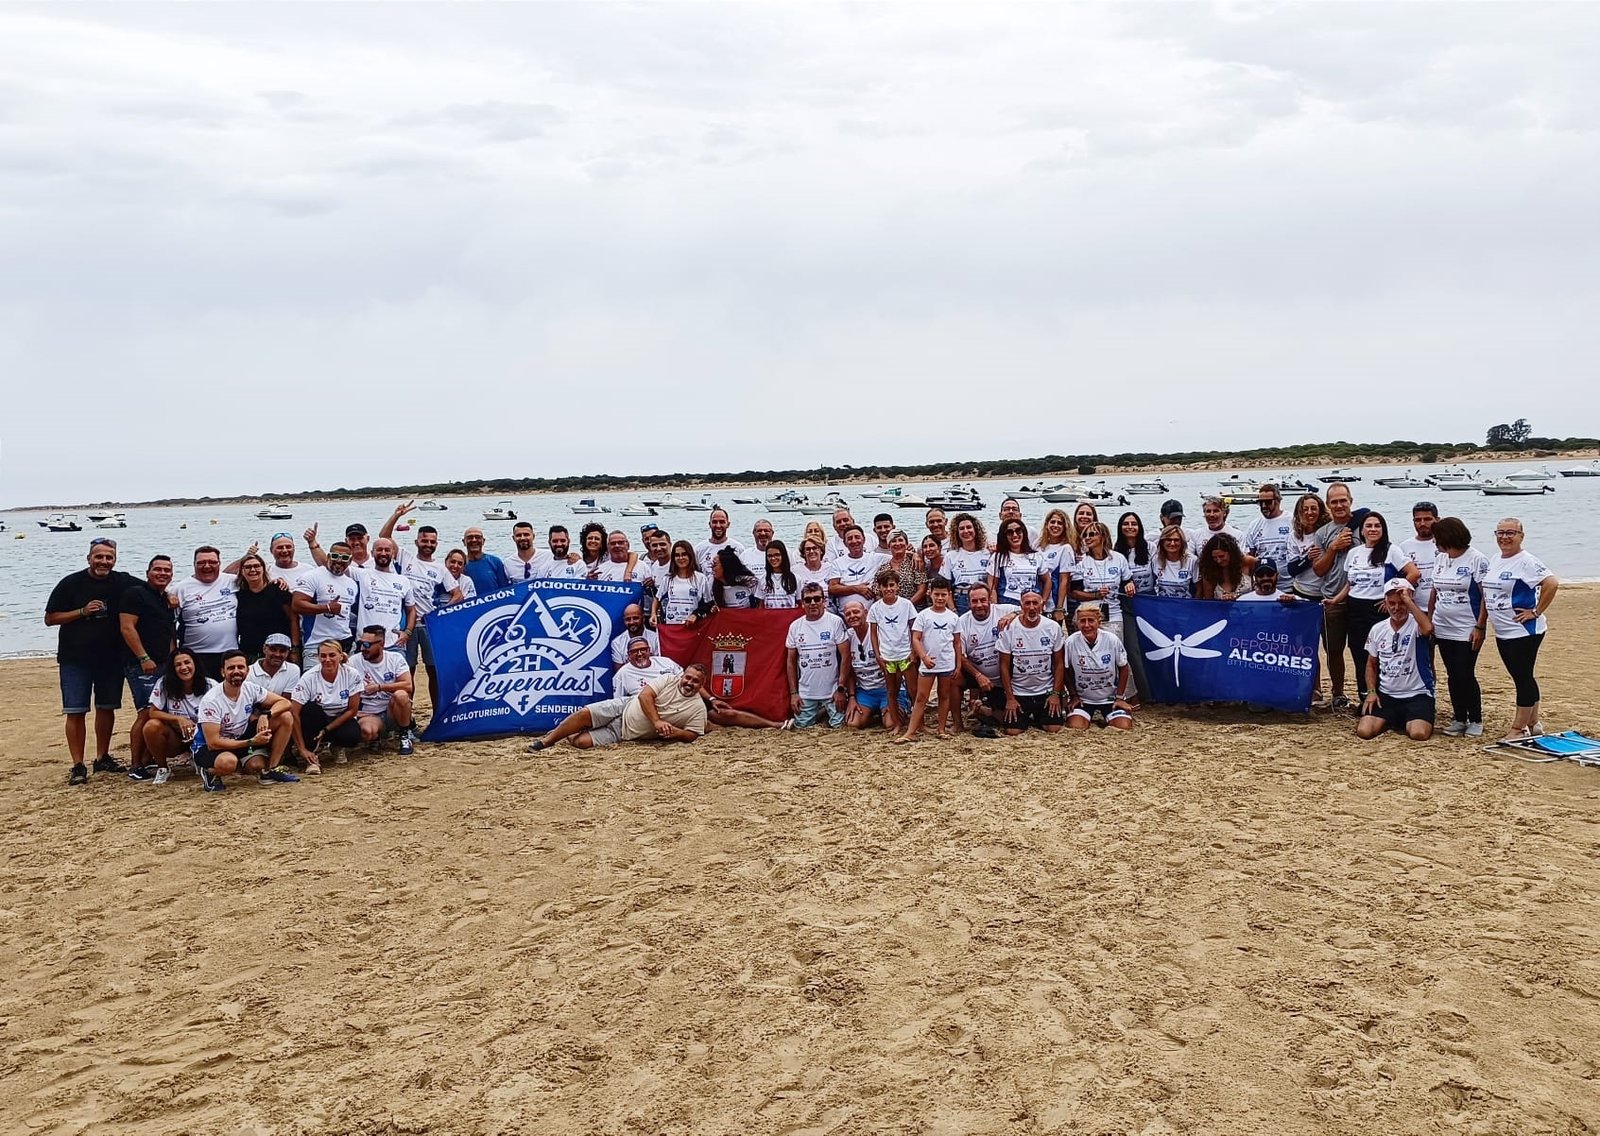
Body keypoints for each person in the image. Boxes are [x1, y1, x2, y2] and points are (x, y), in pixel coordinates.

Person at [46, 536, 139, 784]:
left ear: (115, 560)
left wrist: (170, 596)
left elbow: (150, 591)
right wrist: (82, 612)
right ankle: (77, 764)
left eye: (109, 557)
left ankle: (102, 757)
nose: (104, 561)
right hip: (75, 658)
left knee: (107, 708)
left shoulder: (122, 581)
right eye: (99, 557)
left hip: (110, 658)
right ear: (89, 558)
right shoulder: (70, 583)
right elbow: (50, 618)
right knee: (76, 710)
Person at [1327, 511, 1419, 703]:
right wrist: (1336, 600)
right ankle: (1365, 698)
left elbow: (1413, 574)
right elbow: (1350, 584)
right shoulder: (1354, 553)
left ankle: (1385, 697)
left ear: (1383, 529)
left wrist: (1392, 597)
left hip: (1378, 610)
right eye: (1369, 526)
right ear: (1362, 531)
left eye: (1377, 526)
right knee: (1360, 654)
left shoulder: (1391, 550)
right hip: (1354, 609)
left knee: (1381, 655)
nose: (1373, 529)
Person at [1484, 518, 1560, 741]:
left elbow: (1552, 583)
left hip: (1524, 631)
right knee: (1523, 676)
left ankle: (1518, 729)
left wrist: (1535, 611)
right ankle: (1533, 722)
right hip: (1503, 630)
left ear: (1521, 536)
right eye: (1500, 532)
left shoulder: (1526, 561)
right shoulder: (1496, 558)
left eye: (1511, 533)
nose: (1505, 537)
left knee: (1522, 677)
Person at [529, 665, 711, 750]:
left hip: (625, 733)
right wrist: (656, 721)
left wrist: (676, 733)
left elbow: (692, 734)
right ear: (683, 676)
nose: (689, 682)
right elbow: (645, 695)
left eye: (696, 681)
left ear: (701, 684)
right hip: (625, 706)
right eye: (688, 677)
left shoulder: (697, 708)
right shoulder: (669, 679)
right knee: (583, 714)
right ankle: (546, 742)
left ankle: (569, 732)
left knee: (581, 743)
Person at [191, 649, 299, 791]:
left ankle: (271, 770)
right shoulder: (211, 700)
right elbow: (213, 743)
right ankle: (209, 772)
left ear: (247, 671)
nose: (236, 671)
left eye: (240, 667)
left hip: (240, 736)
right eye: (231, 668)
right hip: (208, 746)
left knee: (285, 717)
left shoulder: (250, 688)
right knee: (228, 763)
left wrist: (266, 715)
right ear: (223, 672)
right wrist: (252, 742)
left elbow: (285, 703)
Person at [1427, 517, 1490, 738]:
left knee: (1465, 672)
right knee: (1452, 673)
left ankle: (1476, 718)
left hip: (1467, 626)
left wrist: (1480, 626)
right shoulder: (1441, 559)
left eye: (1438, 539)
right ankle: (1459, 717)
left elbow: (1485, 597)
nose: (1436, 543)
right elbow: (1434, 591)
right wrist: (1429, 619)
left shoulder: (1477, 559)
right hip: (1442, 624)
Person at [1355, 580, 1436, 742]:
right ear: (1385, 603)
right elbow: (1371, 664)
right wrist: (1371, 692)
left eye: (1401, 603)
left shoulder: (1416, 625)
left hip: (1417, 694)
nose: (1396, 608)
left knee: (1418, 734)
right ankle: (1393, 720)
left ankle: (1407, 719)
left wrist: (1409, 601)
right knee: (1364, 731)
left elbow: (1428, 628)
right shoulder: (1378, 629)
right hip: (1387, 695)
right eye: (1391, 603)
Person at [119, 554, 177, 772]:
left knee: (161, 707)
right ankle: (135, 765)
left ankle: (146, 758)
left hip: (164, 663)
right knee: (145, 711)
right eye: (158, 569)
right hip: (141, 664)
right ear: (148, 573)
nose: (162, 573)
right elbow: (127, 627)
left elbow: (169, 633)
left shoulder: (165, 599)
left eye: (167, 570)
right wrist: (143, 657)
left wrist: (173, 660)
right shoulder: (135, 594)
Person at [896, 577, 963, 742]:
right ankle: (911, 732)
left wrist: (958, 665)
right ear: (930, 594)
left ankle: (941, 728)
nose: (940, 598)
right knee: (921, 697)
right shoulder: (923, 616)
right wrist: (923, 657)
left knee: (944, 695)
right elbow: (916, 638)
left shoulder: (953, 618)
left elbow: (957, 643)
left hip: (946, 662)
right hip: (928, 663)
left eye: (943, 595)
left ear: (949, 595)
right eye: (937, 594)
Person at [1312, 482, 1359, 711]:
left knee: (1364, 649)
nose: (1339, 505)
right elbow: (1319, 569)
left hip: (1361, 598)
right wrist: (1333, 547)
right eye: (1334, 502)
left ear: (1351, 501)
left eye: (1343, 500)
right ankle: (1338, 692)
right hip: (1331, 598)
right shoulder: (1322, 533)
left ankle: (1367, 691)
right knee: (1334, 649)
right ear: (1328, 506)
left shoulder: (1365, 526)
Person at [289, 639, 364, 774]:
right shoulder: (309, 677)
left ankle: (337, 746)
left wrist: (326, 730)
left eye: (332, 655)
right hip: (316, 719)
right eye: (323, 656)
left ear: (341, 656)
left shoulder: (352, 674)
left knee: (352, 735)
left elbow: (353, 709)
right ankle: (310, 756)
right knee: (311, 709)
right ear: (318, 657)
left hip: (339, 718)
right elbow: (293, 712)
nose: (327, 659)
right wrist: (301, 748)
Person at [996, 590, 1065, 735]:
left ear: (1042, 606)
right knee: (1013, 731)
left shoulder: (1053, 627)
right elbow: (1003, 666)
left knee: (1053, 729)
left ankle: (1038, 715)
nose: (1032, 607)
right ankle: (986, 710)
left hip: (1045, 690)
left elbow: (1059, 664)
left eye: (1035, 603)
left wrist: (1055, 694)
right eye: (1027, 603)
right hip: (1019, 691)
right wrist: (1010, 698)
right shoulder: (1009, 628)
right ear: (1021, 606)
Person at [956, 582, 1020, 737]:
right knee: (953, 677)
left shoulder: (1004, 610)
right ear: (968, 602)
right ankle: (957, 722)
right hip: (979, 674)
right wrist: (978, 675)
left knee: (1012, 720)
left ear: (990, 599)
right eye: (974, 601)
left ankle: (982, 709)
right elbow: (960, 656)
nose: (979, 605)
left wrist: (1014, 615)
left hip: (1007, 677)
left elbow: (1030, 609)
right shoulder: (962, 622)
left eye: (983, 600)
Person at [138, 647, 210, 783]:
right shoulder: (164, 684)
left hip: (203, 735)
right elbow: (153, 712)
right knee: (151, 726)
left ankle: (199, 757)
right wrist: (179, 719)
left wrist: (198, 729)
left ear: (195, 663)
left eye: (187, 662)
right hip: (176, 737)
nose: (184, 668)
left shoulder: (210, 685)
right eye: (178, 665)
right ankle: (163, 768)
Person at [786, 583, 852, 728]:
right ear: (802, 603)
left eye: (817, 599)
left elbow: (846, 656)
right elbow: (790, 662)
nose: (813, 603)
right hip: (806, 693)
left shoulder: (835, 622)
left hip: (832, 692)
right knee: (801, 726)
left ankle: (823, 711)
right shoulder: (795, 626)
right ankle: (820, 712)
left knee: (839, 726)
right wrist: (794, 694)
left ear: (824, 601)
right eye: (808, 600)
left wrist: (841, 689)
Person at [290, 540, 359, 669]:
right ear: (328, 556)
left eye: (344, 558)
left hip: (345, 643)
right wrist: (326, 608)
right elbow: (297, 605)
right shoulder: (312, 576)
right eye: (335, 556)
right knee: (313, 687)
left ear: (350, 561)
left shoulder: (352, 584)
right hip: (317, 645)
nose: (339, 561)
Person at [1064, 605, 1134, 730]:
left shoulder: (1112, 639)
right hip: (1083, 699)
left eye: (1091, 620)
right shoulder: (1071, 642)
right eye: (1082, 621)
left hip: (1110, 698)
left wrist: (1120, 697)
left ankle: (1110, 715)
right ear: (1076, 623)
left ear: (1099, 622)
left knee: (1123, 726)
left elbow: (1124, 668)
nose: (1086, 625)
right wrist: (1073, 695)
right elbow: (1066, 670)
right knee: (1076, 726)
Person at [173, 546, 239, 678]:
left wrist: (278, 581)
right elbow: (168, 623)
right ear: (194, 565)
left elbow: (259, 581)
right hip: (195, 654)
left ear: (219, 563)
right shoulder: (181, 588)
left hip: (230, 651)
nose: (207, 566)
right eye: (201, 563)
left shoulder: (232, 581)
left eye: (212, 562)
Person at [350, 626, 417, 755]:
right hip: (369, 713)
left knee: (401, 695)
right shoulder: (353, 662)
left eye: (367, 644)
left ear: (381, 644)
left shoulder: (395, 658)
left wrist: (379, 687)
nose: (363, 648)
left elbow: (408, 685)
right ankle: (377, 737)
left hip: (390, 710)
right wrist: (355, 713)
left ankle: (404, 735)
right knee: (366, 732)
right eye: (360, 644)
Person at [867, 569, 918, 732]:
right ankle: (896, 724)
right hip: (888, 657)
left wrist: (914, 651)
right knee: (891, 691)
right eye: (884, 586)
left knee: (914, 691)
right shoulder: (875, 608)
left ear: (897, 587)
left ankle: (919, 723)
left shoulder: (906, 604)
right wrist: (878, 655)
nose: (888, 589)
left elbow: (914, 630)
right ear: (879, 588)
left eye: (891, 585)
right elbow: (873, 634)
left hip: (905, 655)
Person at [842, 599, 902, 728]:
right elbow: (849, 671)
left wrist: (894, 696)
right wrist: (851, 697)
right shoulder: (847, 637)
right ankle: (874, 712)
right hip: (866, 691)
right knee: (853, 723)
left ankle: (893, 707)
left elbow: (895, 667)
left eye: (856, 612)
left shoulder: (879, 633)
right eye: (848, 614)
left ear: (866, 613)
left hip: (888, 688)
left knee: (891, 724)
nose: (852, 616)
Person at [1069, 522, 1134, 641]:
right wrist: (1096, 595)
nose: (1088, 538)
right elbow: (1074, 592)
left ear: (1103, 536)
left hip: (1113, 614)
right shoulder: (1082, 562)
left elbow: (1127, 581)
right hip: (1088, 615)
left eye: (1092, 534)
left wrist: (1130, 585)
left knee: (1114, 651)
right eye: (1085, 535)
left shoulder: (1118, 558)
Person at [235, 552, 296, 660]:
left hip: (279, 652)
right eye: (248, 567)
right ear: (242, 571)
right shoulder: (239, 595)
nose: (253, 570)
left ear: (264, 569)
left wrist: (295, 649)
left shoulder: (278, 589)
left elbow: (293, 619)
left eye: (257, 566)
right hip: (249, 654)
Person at [988, 519, 1050, 608]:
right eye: (1010, 532)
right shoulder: (998, 557)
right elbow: (992, 587)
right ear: (1004, 536)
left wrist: (1042, 602)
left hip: (1031, 603)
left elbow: (1047, 580)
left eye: (1018, 531)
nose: (1015, 535)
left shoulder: (1036, 556)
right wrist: (996, 607)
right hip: (1007, 602)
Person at [826, 525, 888, 613]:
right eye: (850, 538)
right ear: (845, 543)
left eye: (857, 537)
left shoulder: (875, 558)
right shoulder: (837, 563)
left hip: (872, 614)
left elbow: (898, 556)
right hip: (846, 614)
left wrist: (913, 554)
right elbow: (832, 588)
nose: (854, 541)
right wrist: (856, 589)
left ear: (864, 540)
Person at [1284, 494, 1330, 602]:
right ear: (1299, 512)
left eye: (1314, 509)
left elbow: (1362, 512)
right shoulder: (1294, 536)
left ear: (1321, 510)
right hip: (1302, 590)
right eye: (1305, 509)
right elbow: (1292, 570)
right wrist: (1307, 558)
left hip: (1326, 591)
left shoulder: (1328, 530)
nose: (1309, 512)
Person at [944, 513, 991, 615]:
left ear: (976, 530)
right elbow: (946, 588)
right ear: (957, 532)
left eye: (969, 527)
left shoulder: (987, 554)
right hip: (960, 600)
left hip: (983, 600)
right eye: (961, 528)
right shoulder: (951, 556)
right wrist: (953, 610)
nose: (966, 531)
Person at [1243, 483, 1293, 579]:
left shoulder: (1292, 520)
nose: (1264, 506)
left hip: (1289, 584)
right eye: (1260, 502)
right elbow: (1248, 557)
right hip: (1263, 584)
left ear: (1278, 501)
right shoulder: (1254, 525)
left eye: (1268, 502)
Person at [659, 540, 714, 626]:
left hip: (692, 626)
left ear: (690, 556)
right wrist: (653, 614)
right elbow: (658, 598)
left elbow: (708, 604)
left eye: (684, 554)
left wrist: (696, 615)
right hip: (670, 626)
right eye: (677, 555)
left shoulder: (701, 578)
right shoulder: (667, 578)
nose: (681, 558)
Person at [1399, 502, 1440, 616]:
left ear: (1437, 520)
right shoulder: (1404, 547)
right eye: (1418, 520)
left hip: (1442, 608)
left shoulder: (1445, 545)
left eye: (1427, 519)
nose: (1422, 523)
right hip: (1414, 609)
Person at [1036, 508, 1076, 623]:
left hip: (1053, 605)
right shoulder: (1038, 545)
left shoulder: (1065, 548)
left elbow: (1064, 580)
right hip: (1037, 600)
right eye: (1052, 522)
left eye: (1060, 523)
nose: (1055, 525)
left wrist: (1059, 608)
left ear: (1065, 527)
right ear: (1047, 524)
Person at [614, 636, 683, 697]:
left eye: (643, 649)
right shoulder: (622, 674)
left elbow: (683, 678)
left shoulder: (666, 662)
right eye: (634, 651)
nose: (639, 654)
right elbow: (618, 700)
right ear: (629, 655)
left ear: (649, 651)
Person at [1195, 533, 1247, 601]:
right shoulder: (1209, 573)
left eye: (1221, 556)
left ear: (1231, 553)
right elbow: (1209, 602)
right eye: (1215, 557)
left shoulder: (1247, 562)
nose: (1218, 560)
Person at [1113, 512, 1155, 596]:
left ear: (1139, 527)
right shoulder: (1115, 551)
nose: (1130, 527)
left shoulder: (1150, 547)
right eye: (1125, 524)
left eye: (1134, 524)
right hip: (1127, 597)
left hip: (1148, 595)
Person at [883, 529, 926, 607]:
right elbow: (877, 592)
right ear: (888, 546)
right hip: (890, 609)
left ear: (906, 544)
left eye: (900, 540)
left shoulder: (915, 562)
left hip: (914, 608)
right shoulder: (884, 568)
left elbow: (922, 590)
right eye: (893, 541)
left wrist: (905, 606)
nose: (897, 543)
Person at [1152, 525, 1197, 597]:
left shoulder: (1192, 561)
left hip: (1185, 605)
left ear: (1182, 542)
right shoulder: (1155, 560)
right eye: (1169, 540)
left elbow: (1199, 589)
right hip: (1163, 604)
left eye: (1176, 540)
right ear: (1162, 542)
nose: (1172, 543)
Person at [695, 508, 744, 576]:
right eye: (714, 522)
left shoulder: (738, 548)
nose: (718, 526)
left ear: (728, 524)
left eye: (722, 522)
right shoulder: (699, 549)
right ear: (710, 524)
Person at [460, 527, 510, 594]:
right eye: (470, 537)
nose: (474, 540)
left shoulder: (495, 562)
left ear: (483, 541)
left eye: (477, 537)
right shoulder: (459, 565)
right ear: (464, 542)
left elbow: (505, 589)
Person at [756, 540, 801, 609]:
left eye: (777, 555)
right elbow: (760, 606)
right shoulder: (763, 579)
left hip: (789, 618)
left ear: (783, 555)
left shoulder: (796, 579)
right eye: (770, 556)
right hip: (769, 618)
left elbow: (800, 604)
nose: (773, 558)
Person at [793, 536, 832, 604]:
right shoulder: (795, 571)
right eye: (808, 549)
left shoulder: (831, 568)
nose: (811, 551)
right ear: (803, 553)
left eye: (815, 548)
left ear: (821, 551)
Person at [916, 535, 946, 607]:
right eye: (925, 547)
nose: (928, 549)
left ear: (939, 547)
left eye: (931, 545)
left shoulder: (947, 564)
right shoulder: (925, 567)